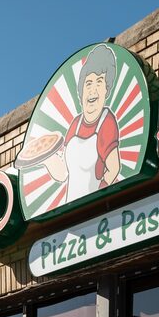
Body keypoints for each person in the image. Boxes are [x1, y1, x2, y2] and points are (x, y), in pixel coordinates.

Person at [43, 43, 121, 203]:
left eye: (99, 82)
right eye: (89, 83)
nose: (93, 90)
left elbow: (114, 168)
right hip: (70, 210)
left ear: (107, 89)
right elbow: (64, 173)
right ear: (81, 90)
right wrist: (44, 157)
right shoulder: (75, 123)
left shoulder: (106, 121)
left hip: (94, 211)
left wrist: (100, 199)